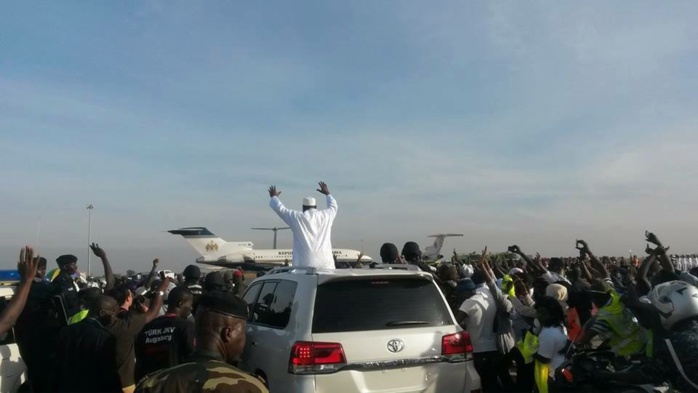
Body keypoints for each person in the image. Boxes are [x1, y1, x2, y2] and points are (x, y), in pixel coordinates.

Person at [135, 291, 268, 393]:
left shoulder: (154, 385)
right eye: (242, 333)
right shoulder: (251, 388)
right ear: (228, 333)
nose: (244, 342)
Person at [108, 275, 170, 393]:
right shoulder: (128, 323)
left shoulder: (107, 320)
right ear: (127, 299)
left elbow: (109, 283)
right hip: (125, 383)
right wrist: (162, 289)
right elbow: (153, 312)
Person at [50, 295, 122, 392]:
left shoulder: (65, 331)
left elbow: (54, 366)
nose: (114, 319)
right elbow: (109, 374)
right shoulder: (104, 337)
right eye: (113, 314)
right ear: (102, 313)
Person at [268, 181, 338, 270]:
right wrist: (328, 194)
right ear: (315, 207)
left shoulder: (297, 217)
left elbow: (281, 209)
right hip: (327, 266)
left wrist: (274, 197)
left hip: (304, 267)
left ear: (303, 207)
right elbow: (334, 206)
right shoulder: (326, 216)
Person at [135, 287, 195, 382]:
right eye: (190, 305)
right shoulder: (186, 327)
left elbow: (139, 362)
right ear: (181, 304)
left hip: (150, 386)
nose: (191, 308)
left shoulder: (147, 328)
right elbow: (193, 360)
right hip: (176, 384)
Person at [578, 279, 648, 357]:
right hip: (641, 339)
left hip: (628, 350)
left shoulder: (606, 317)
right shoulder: (615, 297)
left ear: (604, 295)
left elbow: (588, 336)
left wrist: (579, 345)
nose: (593, 300)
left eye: (596, 297)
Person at [455, 270, 500, 392]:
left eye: (460, 293)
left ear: (466, 291)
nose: (460, 296)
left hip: (477, 350)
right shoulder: (487, 299)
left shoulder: (468, 302)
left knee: (476, 386)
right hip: (492, 348)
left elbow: (455, 324)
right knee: (491, 384)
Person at [533, 296, 570, 392]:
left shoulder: (548, 333)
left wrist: (531, 351)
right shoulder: (560, 326)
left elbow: (544, 359)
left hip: (551, 376)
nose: (539, 316)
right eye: (538, 312)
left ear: (552, 314)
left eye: (543, 313)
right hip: (561, 371)